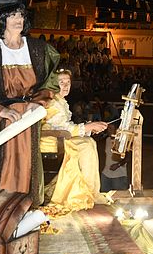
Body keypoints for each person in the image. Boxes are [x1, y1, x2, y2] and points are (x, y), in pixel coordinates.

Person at [0, 0, 60, 206]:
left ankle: (24, 209)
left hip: (27, 117)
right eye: (12, 15)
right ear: (1, 20)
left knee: (26, 164)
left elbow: (51, 81)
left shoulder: (40, 50)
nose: (19, 20)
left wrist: (37, 102)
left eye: (21, 15)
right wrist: (1, 111)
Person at [41, 69, 107, 210]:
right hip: (50, 140)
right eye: (61, 82)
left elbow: (66, 127)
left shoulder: (60, 101)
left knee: (89, 142)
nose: (65, 86)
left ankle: (88, 191)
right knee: (86, 146)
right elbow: (63, 129)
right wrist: (89, 127)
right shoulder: (52, 103)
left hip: (59, 136)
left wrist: (89, 129)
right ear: (53, 84)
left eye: (68, 82)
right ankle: (86, 192)